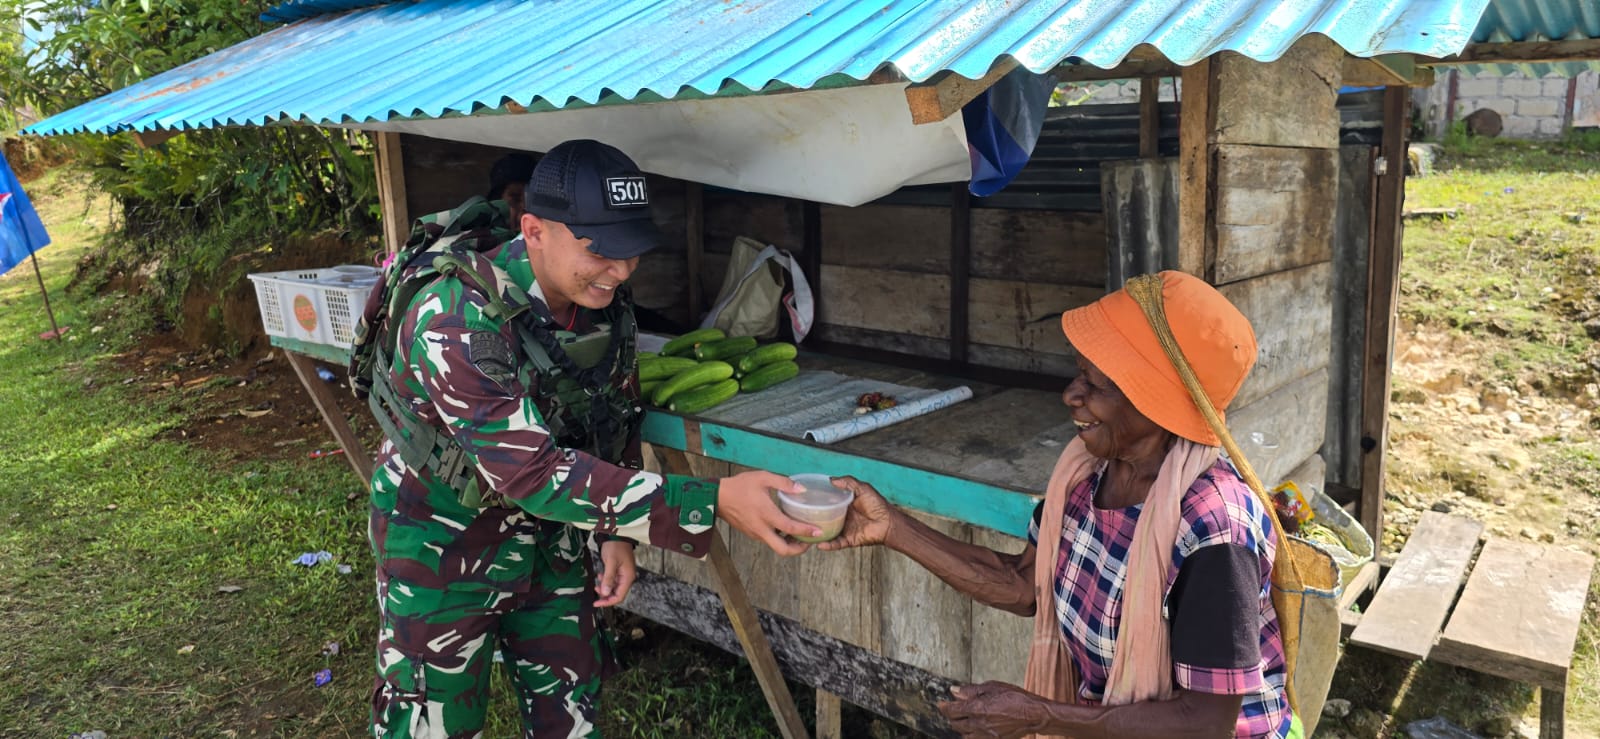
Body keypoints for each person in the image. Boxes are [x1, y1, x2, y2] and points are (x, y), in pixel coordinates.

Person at [363, 139, 818, 738]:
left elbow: (613, 413)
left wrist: (613, 534)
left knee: (571, 720)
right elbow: (530, 472)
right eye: (599, 250)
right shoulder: (455, 318)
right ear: (534, 230)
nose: (621, 270)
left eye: (631, 250)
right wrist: (713, 501)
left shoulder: (601, 302)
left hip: (553, 544)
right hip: (442, 547)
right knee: (432, 723)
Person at [822, 271, 1297, 738]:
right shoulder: (1088, 474)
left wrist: (1041, 716)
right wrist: (893, 528)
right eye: (1079, 373)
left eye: (1098, 384)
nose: (1071, 394)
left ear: (1158, 402)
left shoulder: (1214, 528)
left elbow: (1206, 722)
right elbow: (1025, 583)